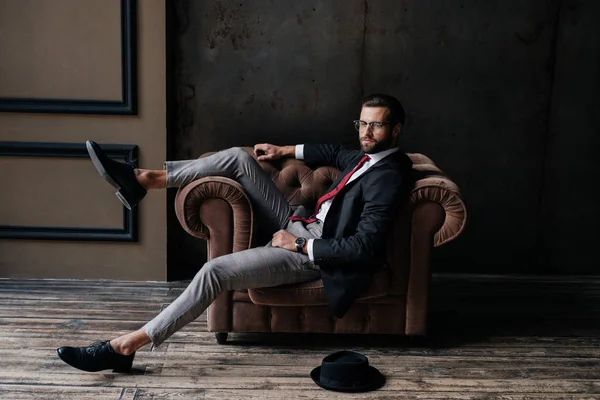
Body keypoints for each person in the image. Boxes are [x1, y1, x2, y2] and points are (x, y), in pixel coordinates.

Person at [56, 93, 413, 372]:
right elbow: (333, 150)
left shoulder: (389, 176)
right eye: (362, 123)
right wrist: (284, 150)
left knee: (215, 271)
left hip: (316, 253)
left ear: (396, 129)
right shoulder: (368, 157)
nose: (365, 133)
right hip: (300, 222)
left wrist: (302, 244)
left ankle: (124, 347)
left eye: (376, 126)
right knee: (239, 158)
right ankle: (145, 180)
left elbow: (364, 247)